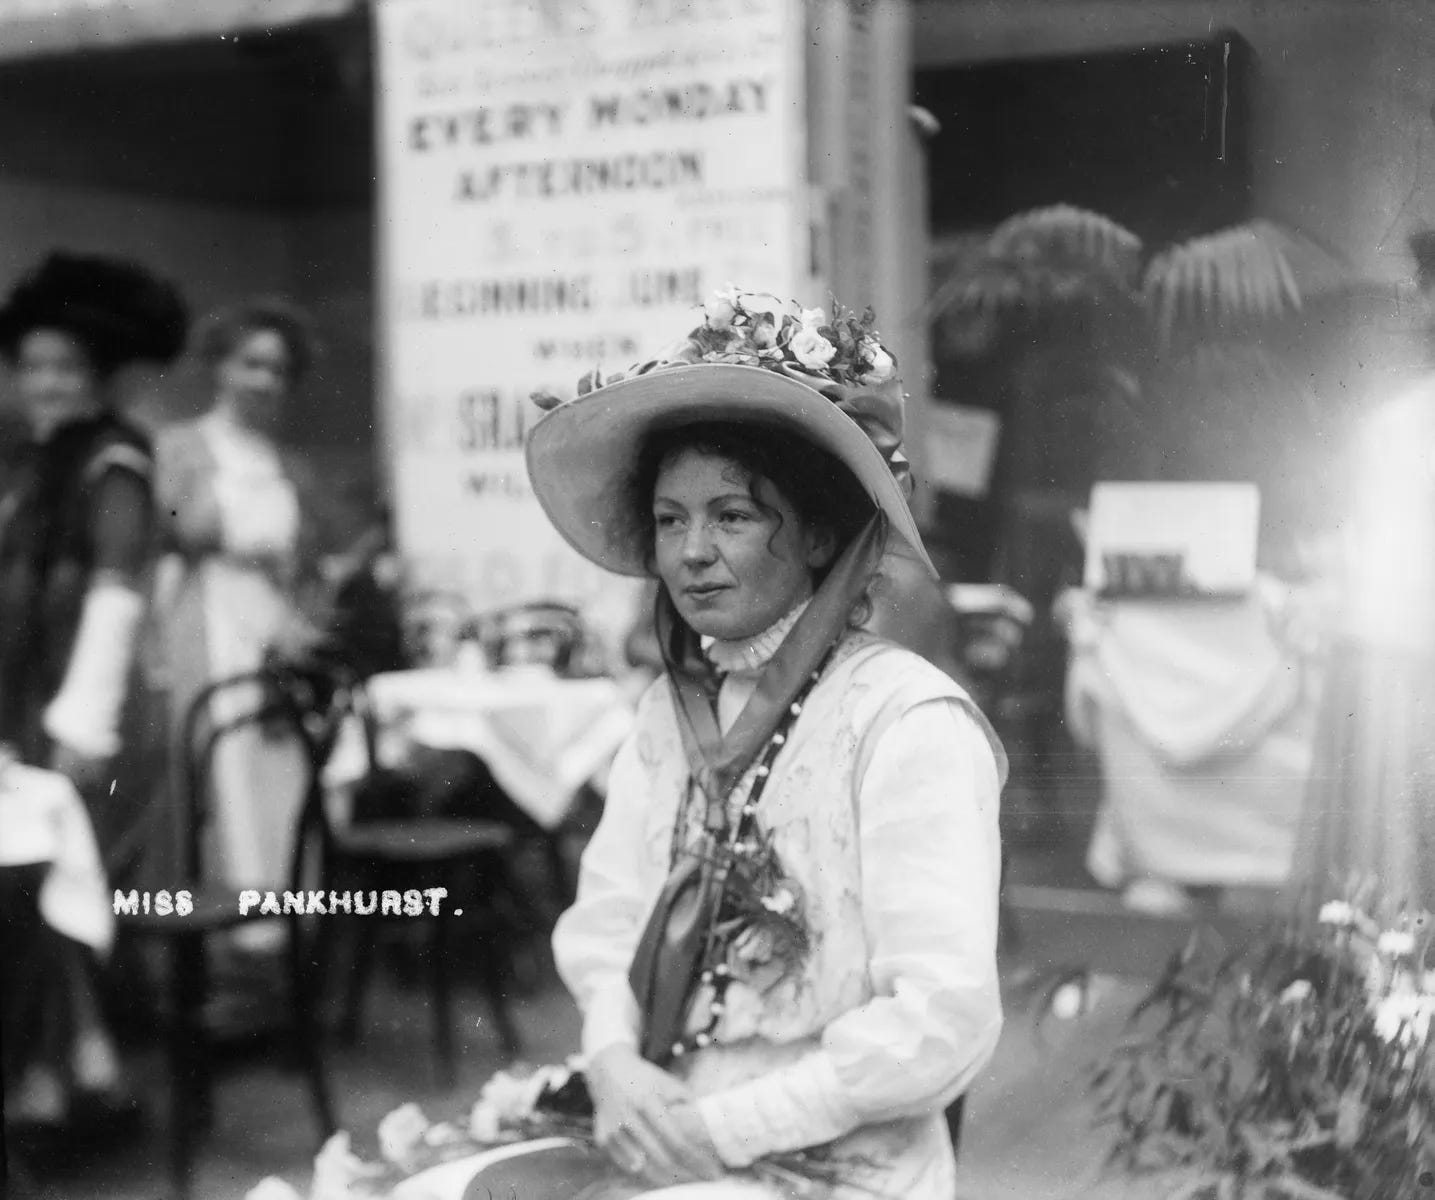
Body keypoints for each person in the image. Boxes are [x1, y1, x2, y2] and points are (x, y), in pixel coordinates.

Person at [449, 290, 1007, 1199]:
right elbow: (608, 919)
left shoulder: (906, 721)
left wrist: (721, 1129)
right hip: (656, 1114)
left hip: (833, 1154)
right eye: (670, 519)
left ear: (822, 533)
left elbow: (941, 1019)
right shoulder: (666, 714)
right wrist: (614, 1066)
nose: (691, 553)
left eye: (733, 516)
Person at [0, 250, 187, 1124]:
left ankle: (58, 1074)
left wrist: (82, 722)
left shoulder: (114, 462)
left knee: (51, 878)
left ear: (99, 375)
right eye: (32, 365)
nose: (46, 382)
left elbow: (116, 593)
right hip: (38, 703)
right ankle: (84, 1060)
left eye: (65, 367)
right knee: (38, 880)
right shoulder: (42, 461)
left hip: (96, 713)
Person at [151, 299, 328, 897]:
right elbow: (164, 543)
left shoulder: (285, 462)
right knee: (215, 771)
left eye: (278, 371)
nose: (265, 381)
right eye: (251, 364)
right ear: (219, 367)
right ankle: (225, 934)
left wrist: (299, 620)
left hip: (271, 631)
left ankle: (277, 928)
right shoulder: (180, 448)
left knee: (276, 767)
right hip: (206, 623)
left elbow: (306, 561)